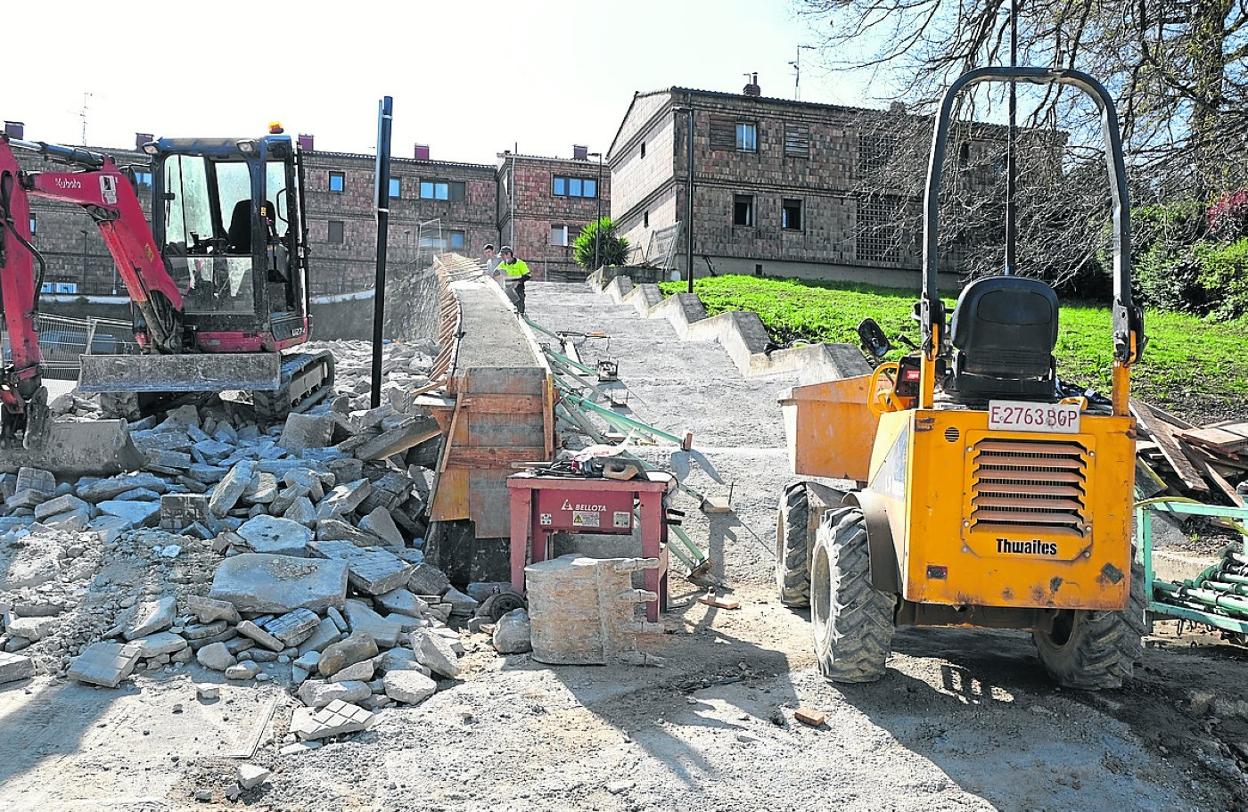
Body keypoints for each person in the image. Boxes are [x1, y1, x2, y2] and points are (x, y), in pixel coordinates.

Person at [497, 245, 531, 314]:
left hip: (518, 290)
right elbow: (496, 274)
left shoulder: (520, 263)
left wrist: (518, 282)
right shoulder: (502, 264)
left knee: (519, 310)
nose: (502, 258)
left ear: (509, 254)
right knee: (509, 311)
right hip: (507, 291)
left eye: (503, 256)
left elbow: (528, 275)